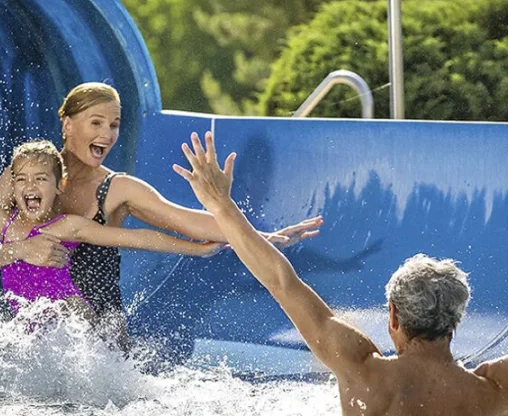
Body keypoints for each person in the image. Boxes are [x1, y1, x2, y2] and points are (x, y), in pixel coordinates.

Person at [173, 130, 508, 416]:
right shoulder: (492, 392)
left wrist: (221, 205)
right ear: (456, 321)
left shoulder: (364, 373)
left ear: (393, 316)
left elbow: (281, 281)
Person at [0, 82, 323, 335]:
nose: (107, 134)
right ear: (68, 124)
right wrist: (22, 249)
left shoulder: (118, 188)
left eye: (115, 125)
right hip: (28, 332)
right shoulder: (20, 178)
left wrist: (263, 237)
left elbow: (188, 223)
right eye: (97, 123)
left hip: (96, 339)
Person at [0, 135, 224, 319]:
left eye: (41, 179)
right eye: (22, 180)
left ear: (57, 186)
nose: (31, 187)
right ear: (12, 188)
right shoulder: (1, 223)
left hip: (74, 322)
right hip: (26, 327)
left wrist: (196, 248)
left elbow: (137, 238)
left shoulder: (68, 227)